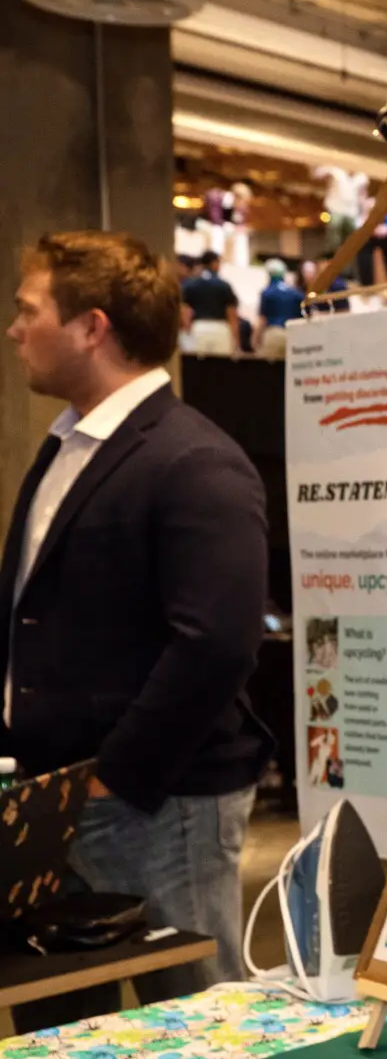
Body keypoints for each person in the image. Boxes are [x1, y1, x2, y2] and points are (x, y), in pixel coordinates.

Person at [1, 231, 272, 1011]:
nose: (16, 330)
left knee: (196, 1026)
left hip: (159, 803)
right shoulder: (63, 449)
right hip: (55, 804)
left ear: (92, 326)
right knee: (61, 1030)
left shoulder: (193, 462)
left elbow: (216, 644)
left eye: (29, 311)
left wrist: (114, 776)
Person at [180, 251, 239, 356]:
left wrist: (186, 333)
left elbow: (183, 311)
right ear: (214, 263)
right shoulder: (224, 285)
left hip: (198, 328)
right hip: (220, 329)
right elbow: (232, 315)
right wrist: (236, 341)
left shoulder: (189, 284)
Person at [253, 258, 302, 357]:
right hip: (293, 335)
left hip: (274, 333)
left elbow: (263, 319)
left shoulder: (267, 293)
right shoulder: (296, 293)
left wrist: (255, 338)